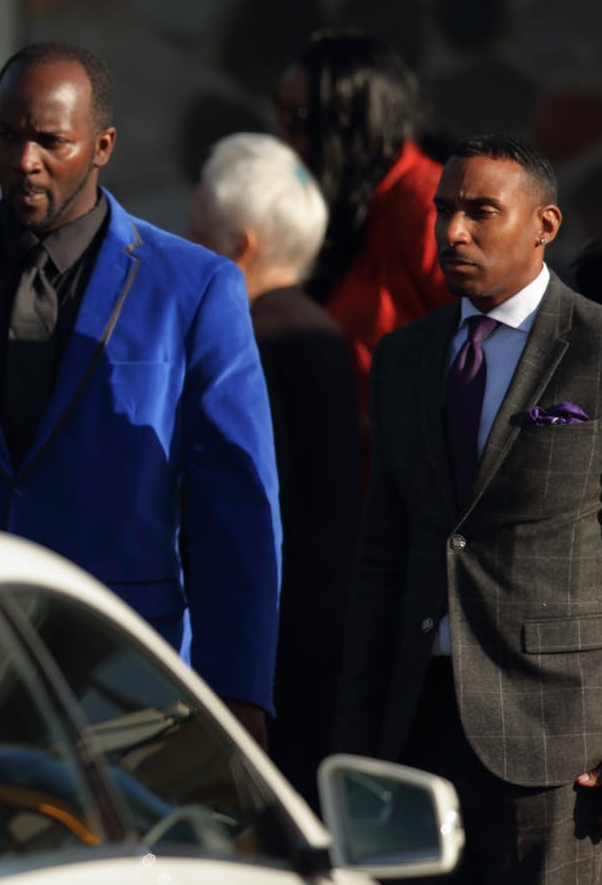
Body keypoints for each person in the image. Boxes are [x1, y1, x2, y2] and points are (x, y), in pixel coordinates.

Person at [0, 42, 280, 741]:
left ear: (102, 146)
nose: (24, 159)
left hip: (124, 680)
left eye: (50, 140)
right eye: (8, 134)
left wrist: (238, 695)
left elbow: (236, 515)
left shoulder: (195, 289)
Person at [336, 134, 602, 883]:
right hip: (412, 731)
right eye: (444, 211)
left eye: (480, 212)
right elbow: (381, 552)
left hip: (557, 743)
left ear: (545, 226)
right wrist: (357, 733)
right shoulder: (404, 357)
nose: (452, 232)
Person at [188, 132, 359, 801]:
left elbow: (246, 501)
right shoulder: (320, 328)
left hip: (273, 642)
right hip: (326, 624)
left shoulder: (253, 340)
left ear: (240, 248)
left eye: (196, 233)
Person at [275, 29, 454, 415]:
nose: (282, 137)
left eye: (298, 119)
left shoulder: (428, 206)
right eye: (280, 113)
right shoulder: (345, 203)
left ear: (351, 123)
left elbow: (493, 349)